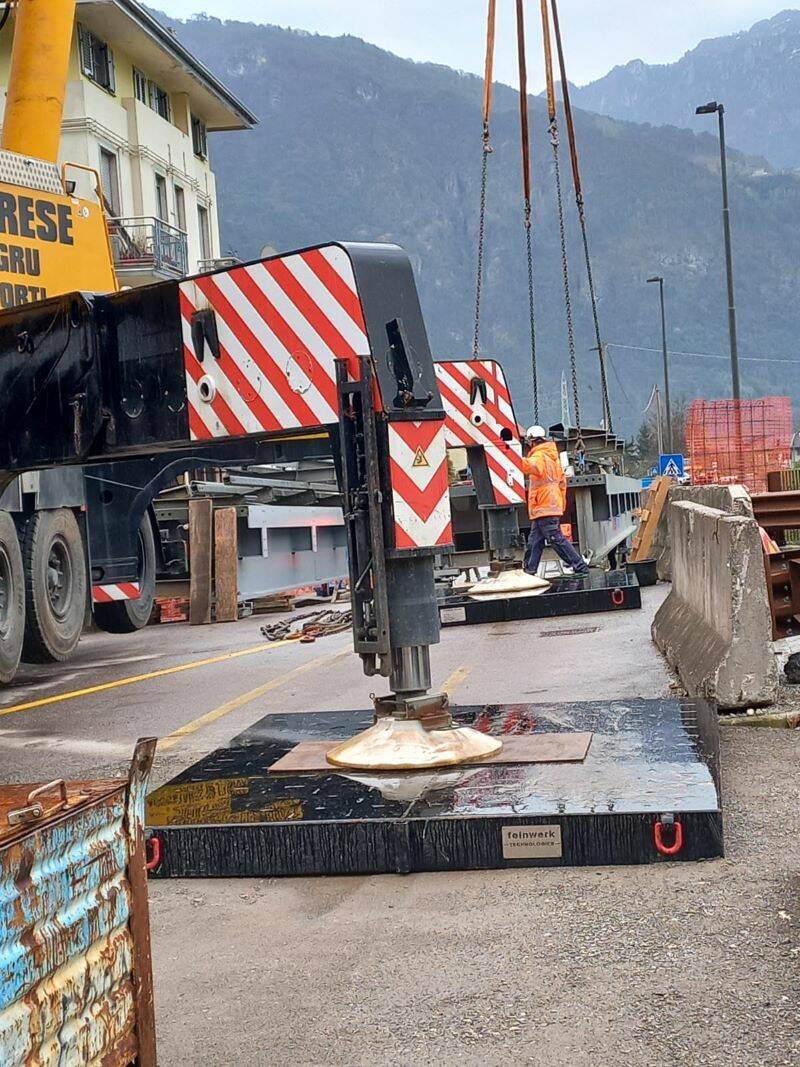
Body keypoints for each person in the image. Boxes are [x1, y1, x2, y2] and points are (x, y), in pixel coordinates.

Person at [521, 426, 589, 577]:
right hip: (548, 505)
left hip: (544, 505)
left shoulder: (539, 455)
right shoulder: (552, 456)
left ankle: (579, 565)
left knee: (555, 538)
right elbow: (562, 483)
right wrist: (561, 504)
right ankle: (529, 571)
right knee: (534, 541)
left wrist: (511, 458)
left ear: (532, 442)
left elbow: (530, 466)